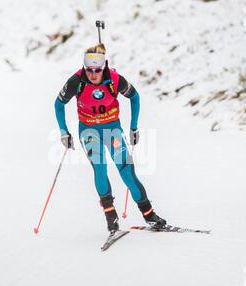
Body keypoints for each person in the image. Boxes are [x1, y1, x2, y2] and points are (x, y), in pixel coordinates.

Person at [54, 43, 166, 234]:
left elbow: (135, 97)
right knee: (100, 167)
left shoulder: (114, 79)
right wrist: (64, 131)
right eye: (89, 70)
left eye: (97, 69)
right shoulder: (77, 81)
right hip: (89, 131)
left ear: (104, 66)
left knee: (126, 172)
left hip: (112, 129)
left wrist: (133, 127)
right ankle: (110, 217)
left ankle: (149, 215)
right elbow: (59, 103)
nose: (93, 74)